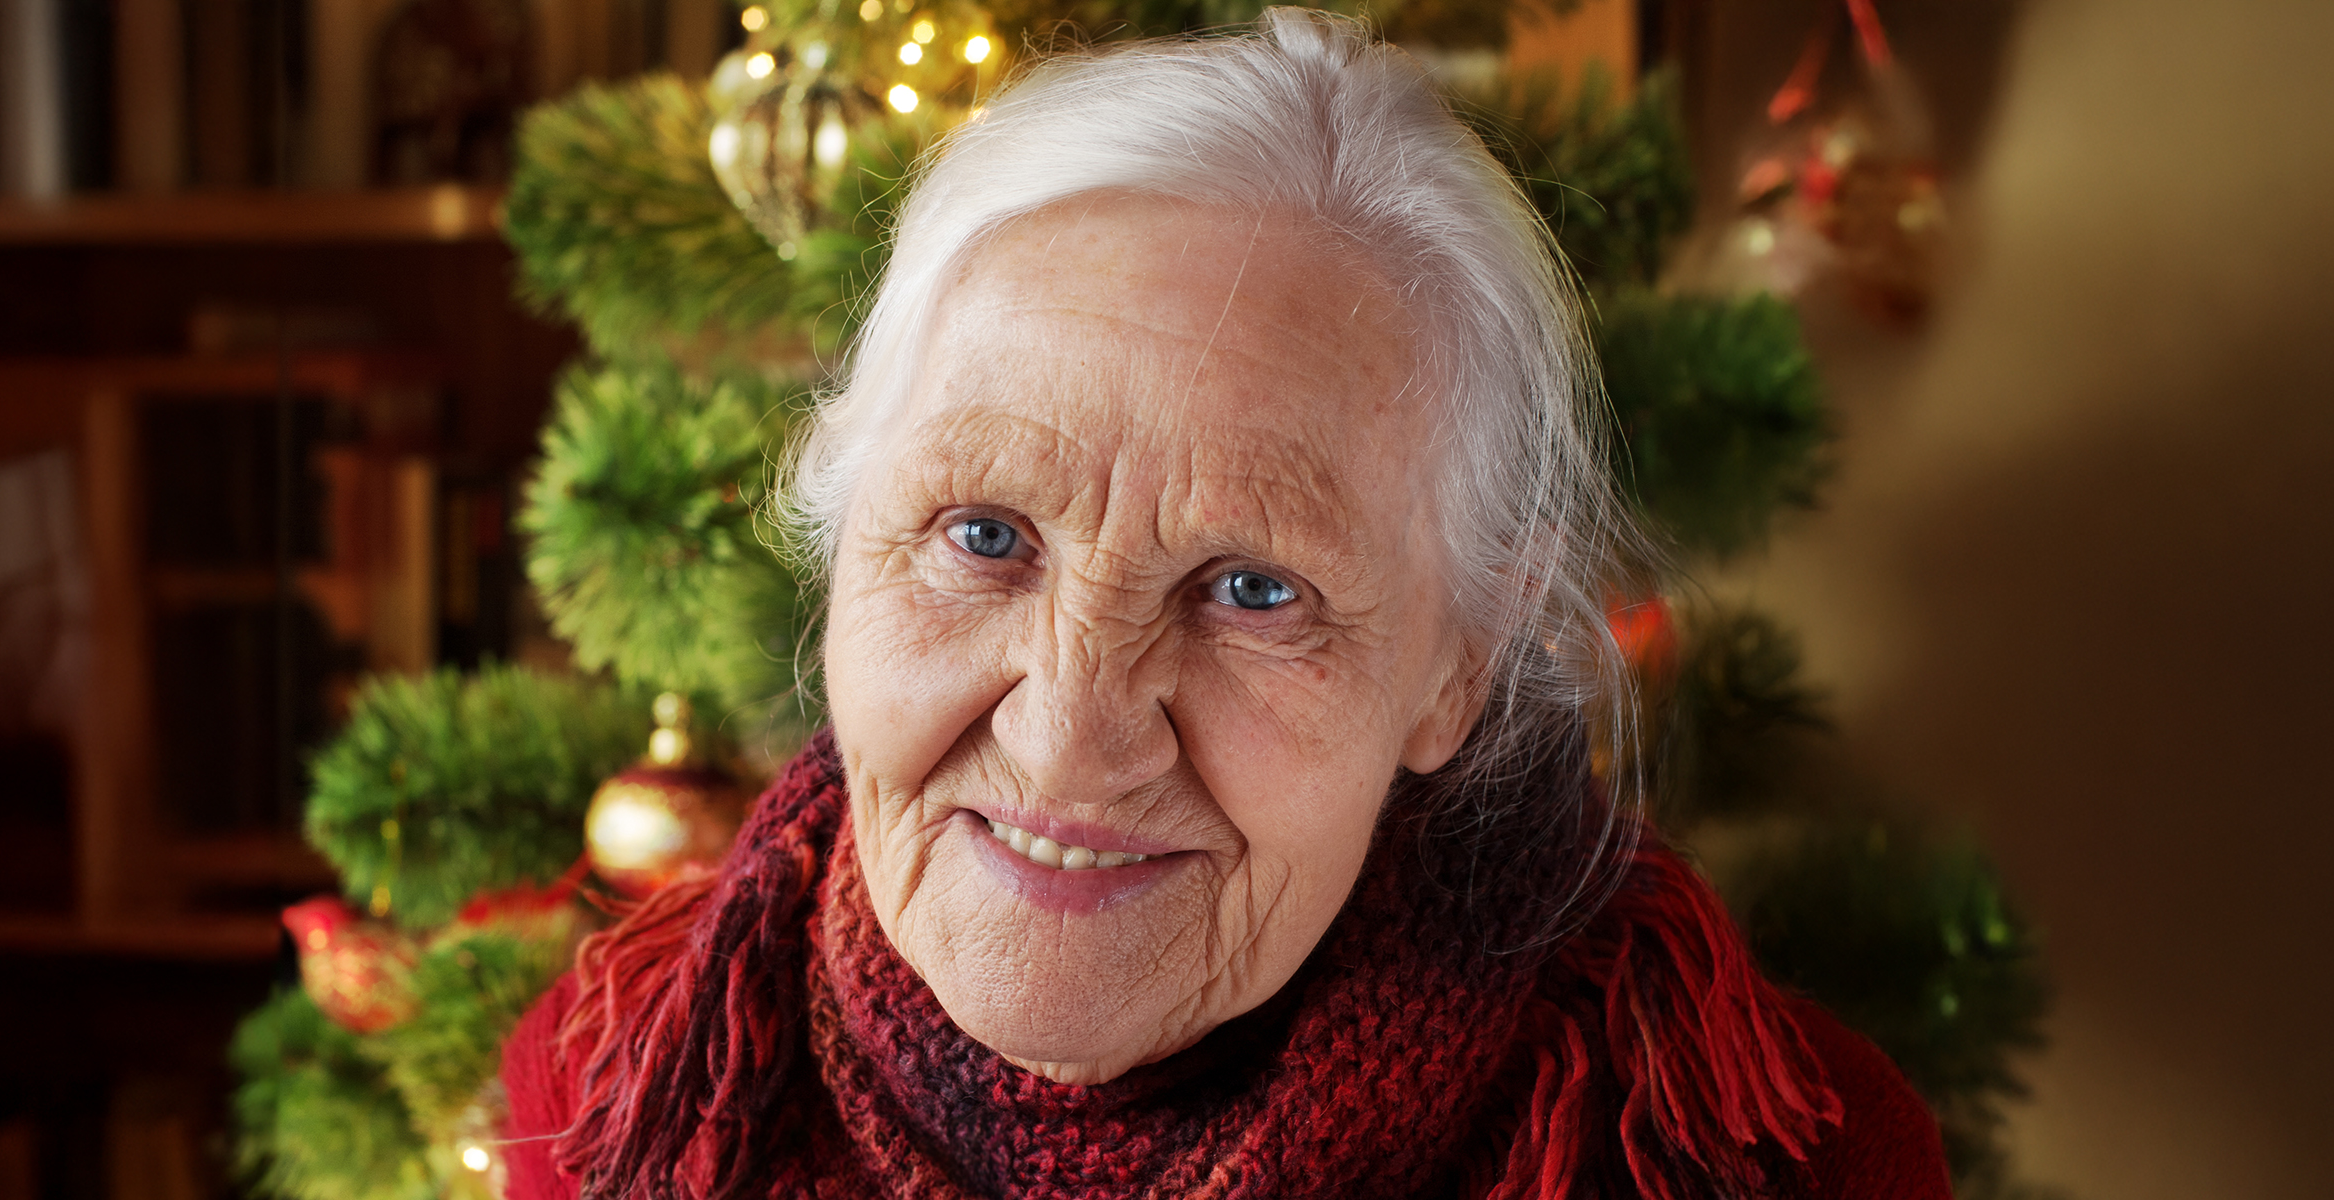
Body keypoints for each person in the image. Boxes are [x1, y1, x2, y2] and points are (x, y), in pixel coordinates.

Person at [497, 11, 1948, 1198]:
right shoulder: (613, 1102)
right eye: (985, 533)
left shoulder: (1770, 1163)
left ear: (1461, 662)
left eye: (1258, 590)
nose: (1073, 734)